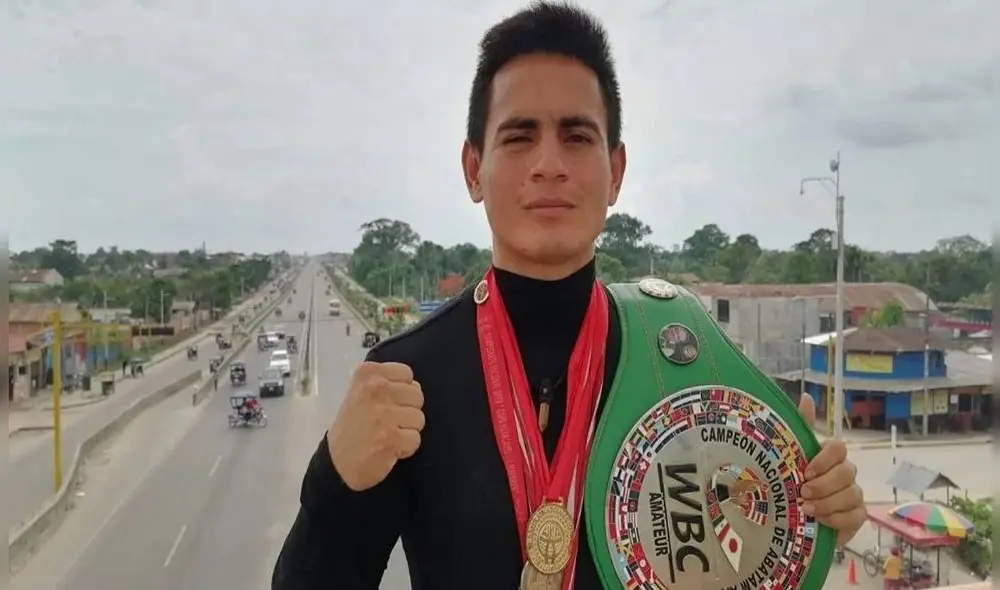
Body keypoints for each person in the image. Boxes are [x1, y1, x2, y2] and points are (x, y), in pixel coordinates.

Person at [272, 4, 867, 590]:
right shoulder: (405, 383)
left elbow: (733, 563)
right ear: (473, 168)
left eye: (576, 136)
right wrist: (334, 483)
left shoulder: (680, 361)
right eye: (519, 136)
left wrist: (809, 516)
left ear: (616, 170)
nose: (549, 164)